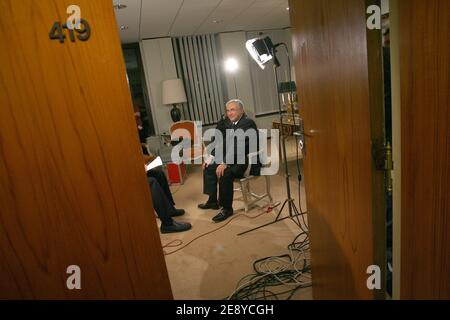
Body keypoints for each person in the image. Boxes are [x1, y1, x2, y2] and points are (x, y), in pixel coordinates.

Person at [198, 99, 261, 223]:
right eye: (228, 110)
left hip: (247, 160)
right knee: (209, 167)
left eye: (233, 110)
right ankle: (212, 200)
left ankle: (226, 209)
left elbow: (239, 147)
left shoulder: (247, 123)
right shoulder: (233, 124)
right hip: (236, 158)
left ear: (241, 111)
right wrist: (210, 158)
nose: (229, 113)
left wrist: (225, 163)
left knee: (224, 172)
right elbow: (224, 144)